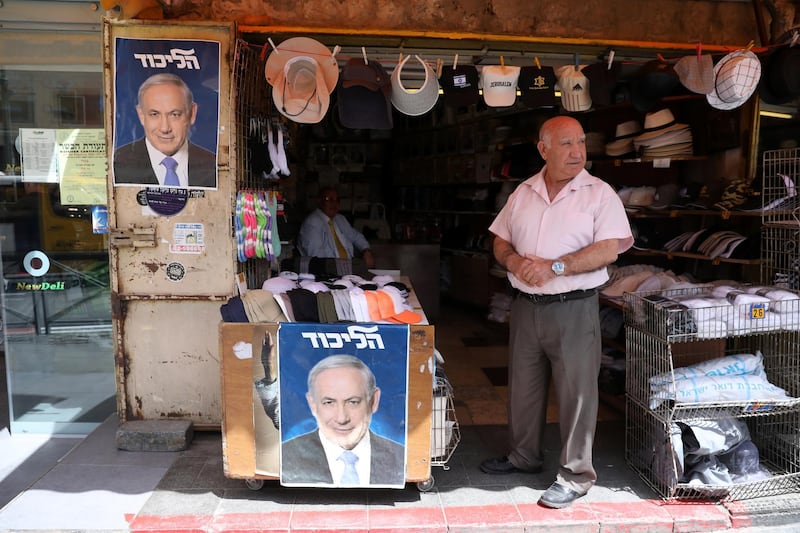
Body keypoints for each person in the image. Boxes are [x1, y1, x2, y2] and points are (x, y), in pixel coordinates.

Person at [480, 116, 633, 509]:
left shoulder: (599, 193)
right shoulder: (523, 192)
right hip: (527, 307)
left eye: (581, 142)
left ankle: (576, 474)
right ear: (543, 149)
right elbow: (499, 241)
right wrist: (514, 262)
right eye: (566, 143)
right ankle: (523, 457)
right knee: (524, 389)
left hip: (574, 309)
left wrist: (555, 266)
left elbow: (609, 249)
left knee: (577, 394)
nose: (577, 151)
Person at [281, 354, 405, 486]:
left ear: (374, 401)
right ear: (312, 404)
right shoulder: (285, 457)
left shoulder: (400, 457)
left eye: (353, 402)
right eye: (329, 402)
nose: (342, 419)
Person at [113, 72, 217, 188]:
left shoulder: (215, 166)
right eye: (154, 114)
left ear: (192, 113)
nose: (165, 128)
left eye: (175, 114)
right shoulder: (118, 165)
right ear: (141, 115)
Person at [296, 187, 375, 268]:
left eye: (337, 200)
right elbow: (317, 258)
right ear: (319, 201)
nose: (334, 203)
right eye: (329, 199)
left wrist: (366, 250)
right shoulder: (312, 223)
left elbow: (356, 237)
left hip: (348, 266)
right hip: (328, 270)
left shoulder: (340, 219)